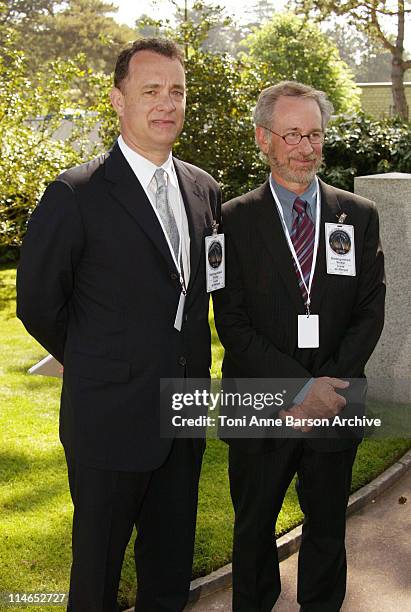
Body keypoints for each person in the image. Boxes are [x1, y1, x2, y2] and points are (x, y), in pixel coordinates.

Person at [16, 38, 221, 612]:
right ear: (118, 99)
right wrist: (99, 361)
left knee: (168, 572)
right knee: (96, 579)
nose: (166, 103)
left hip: (183, 415)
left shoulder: (204, 190)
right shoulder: (75, 194)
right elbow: (36, 302)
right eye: (150, 90)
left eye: (176, 91)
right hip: (107, 419)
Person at [213, 81, 385, 612]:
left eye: (314, 134)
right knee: (253, 530)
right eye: (292, 134)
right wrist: (300, 388)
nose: (306, 147)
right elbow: (232, 321)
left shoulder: (357, 214)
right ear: (264, 138)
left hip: (337, 399)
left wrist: (325, 388)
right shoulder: (231, 219)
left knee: (329, 530)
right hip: (261, 401)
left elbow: (368, 310)